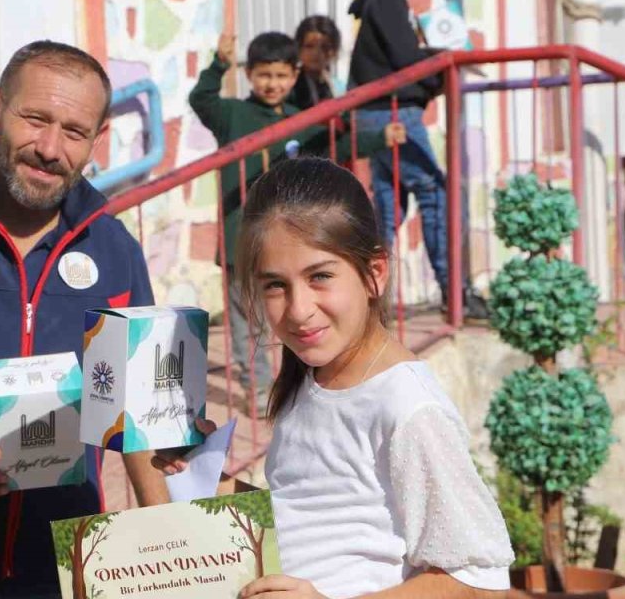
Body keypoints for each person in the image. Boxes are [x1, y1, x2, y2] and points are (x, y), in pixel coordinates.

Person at [0, 41, 169, 598]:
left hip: (65, 571)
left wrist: (171, 541)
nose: (49, 148)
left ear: (98, 140)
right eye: (35, 119)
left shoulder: (116, 249)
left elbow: (146, 415)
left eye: (73, 131)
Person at [159, 157, 514, 598]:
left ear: (374, 274)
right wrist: (211, 478)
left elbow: (478, 580)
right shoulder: (310, 378)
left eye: (320, 276)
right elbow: (308, 515)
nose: (299, 309)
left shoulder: (407, 408)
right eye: (275, 285)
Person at [189, 32, 401, 411]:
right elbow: (200, 100)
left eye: (282, 76)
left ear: (294, 75)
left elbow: (331, 144)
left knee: (295, 315)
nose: (274, 84)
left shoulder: (298, 119)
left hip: (292, 248)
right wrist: (219, 64)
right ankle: (257, 390)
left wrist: (379, 138)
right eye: (265, 75)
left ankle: (298, 387)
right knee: (247, 321)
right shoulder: (233, 114)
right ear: (250, 74)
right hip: (244, 237)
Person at [348, 0, 488, 318]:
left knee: (389, 208)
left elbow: (402, 62)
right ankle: (455, 290)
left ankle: (367, 298)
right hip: (390, 113)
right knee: (434, 193)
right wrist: (444, 64)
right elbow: (407, 63)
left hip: (378, 113)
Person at [288, 15, 344, 112]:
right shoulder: (289, 86)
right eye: (309, 46)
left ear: (334, 51)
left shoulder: (338, 88)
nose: (316, 53)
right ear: (298, 47)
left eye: (324, 47)